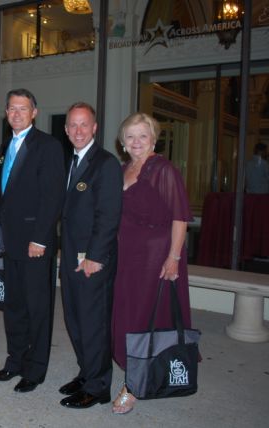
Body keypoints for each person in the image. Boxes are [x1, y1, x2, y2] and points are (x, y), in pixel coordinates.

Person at [111, 112, 194, 414]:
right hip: (127, 256)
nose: (136, 142)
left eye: (142, 135)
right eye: (130, 136)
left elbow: (180, 217)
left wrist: (173, 258)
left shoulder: (163, 169)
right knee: (126, 313)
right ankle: (134, 370)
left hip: (155, 256)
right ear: (122, 142)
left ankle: (134, 384)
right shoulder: (123, 169)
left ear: (154, 138)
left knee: (145, 319)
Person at [0, 88, 65, 393]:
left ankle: (36, 370)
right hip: (11, 241)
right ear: (6, 113)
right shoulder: (7, 144)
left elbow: (52, 197)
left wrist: (41, 239)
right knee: (14, 306)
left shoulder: (48, 145)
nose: (16, 113)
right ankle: (15, 361)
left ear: (34, 112)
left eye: (23, 109)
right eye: (11, 109)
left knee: (38, 308)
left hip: (35, 243)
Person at [58, 102, 123, 409]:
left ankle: (98, 387)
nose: (78, 130)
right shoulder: (71, 160)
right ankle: (87, 373)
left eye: (84, 125)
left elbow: (109, 215)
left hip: (93, 259)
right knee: (75, 318)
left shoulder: (106, 163)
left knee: (93, 322)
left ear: (95, 128)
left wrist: (95, 257)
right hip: (71, 255)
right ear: (66, 129)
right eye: (72, 125)